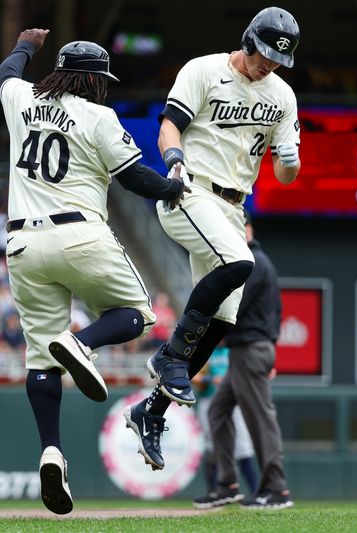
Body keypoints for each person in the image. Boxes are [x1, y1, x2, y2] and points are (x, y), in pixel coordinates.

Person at [0, 27, 188, 515]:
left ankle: (51, 451)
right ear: (97, 82)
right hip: (79, 234)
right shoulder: (99, 115)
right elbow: (133, 177)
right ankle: (83, 343)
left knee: (40, 360)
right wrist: (173, 188)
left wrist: (24, 47)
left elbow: (3, 75)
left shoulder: (21, 99)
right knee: (140, 313)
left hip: (21, 242)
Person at [124, 6, 301, 472]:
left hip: (232, 204)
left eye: (278, 58)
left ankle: (151, 411)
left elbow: (284, 174)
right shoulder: (203, 69)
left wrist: (289, 161)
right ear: (247, 40)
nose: (269, 64)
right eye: (264, 53)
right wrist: (174, 159)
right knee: (241, 262)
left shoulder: (282, 95)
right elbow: (169, 126)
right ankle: (169, 359)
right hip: (190, 188)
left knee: (224, 320)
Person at [204, 214, 293, 509]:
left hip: (251, 349)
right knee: (217, 411)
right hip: (248, 350)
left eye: (237, 226)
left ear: (248, 229)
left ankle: (277, 489)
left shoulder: (252, 261)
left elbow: (234, 309)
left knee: (260, 419)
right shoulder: (253, 260)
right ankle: (227, 483)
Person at [191, 346, 258, 509]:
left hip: (234, 401)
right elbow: (192, 375)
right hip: (209, 400)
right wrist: (210, 379)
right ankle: (214, 493)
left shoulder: (232, 350)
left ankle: (257, 493)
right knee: (212, 447)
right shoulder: (205, 348)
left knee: (243, 447)